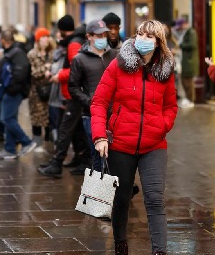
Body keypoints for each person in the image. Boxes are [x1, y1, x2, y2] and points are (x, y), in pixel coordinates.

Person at [91, 20, 177, 255]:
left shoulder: (165, 70)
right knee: (121, 198)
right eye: (140, 34)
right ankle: (121, 245)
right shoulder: (119, 65)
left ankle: (160, 251)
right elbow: (99, 102)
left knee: (155, 199)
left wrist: (163, 125)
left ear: (159, 42)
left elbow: (171, 106)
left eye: (149, 36)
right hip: (120, 144)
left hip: (154, 144)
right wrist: (100, 137)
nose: (142, 39)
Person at [39, 15, 90, 178]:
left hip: (74, 94)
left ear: (61, 30)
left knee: (65, 129)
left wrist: (58, 76)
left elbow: (76, 68)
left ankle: (57, 163)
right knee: (76, 130)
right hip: (75, 93)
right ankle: (82, 160)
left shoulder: (73, 43)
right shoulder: (75, 41)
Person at [68, 19, 118, 171]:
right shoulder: (79, 59)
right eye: (98, 35)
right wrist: (89, 102)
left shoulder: (115, 55)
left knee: (117, 155)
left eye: (104, 34)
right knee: (98, 155)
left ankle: (119, 188)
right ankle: (98, 192)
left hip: (115, 113)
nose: (103, 38)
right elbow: (73, 87)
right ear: (89, 36)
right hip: (91, 115)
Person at [0, 30, 36, 159]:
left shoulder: (17, 52)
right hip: (10, 90)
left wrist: (11, 88)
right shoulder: (12, 52)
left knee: (6, 119)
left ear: (3, 41)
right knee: (10, 118)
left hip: (13, 91)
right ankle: (10, 149)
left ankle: (26, 141)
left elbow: (20, 73)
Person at [27, 27, 54, 149]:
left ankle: (48, 142)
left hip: (50, 89)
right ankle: (37, 142)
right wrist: (45, 69)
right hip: (36, 91)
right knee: (37, 117)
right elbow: (32, 72)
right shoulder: (32, 54)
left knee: (49, 117)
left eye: (47, 36)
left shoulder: (52, 53)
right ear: (38, 40)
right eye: (43, 37)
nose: (45, 39)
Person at [174, 18, 198, 108]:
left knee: (189, 82)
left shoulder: (191, 32)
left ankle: (191, 100)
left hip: (189, 61)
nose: (180, 28)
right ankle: (188, 99)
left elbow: (192, 45)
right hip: (186, 61)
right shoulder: (187, 32)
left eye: (181, 26)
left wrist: (180, 45)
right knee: (185, 80)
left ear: (184, 24)